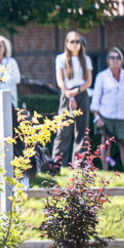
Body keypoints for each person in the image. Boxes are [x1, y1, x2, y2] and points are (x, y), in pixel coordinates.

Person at [90, 47, 124, 173]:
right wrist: (97, 117)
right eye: (112, 58)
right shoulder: (101, 76)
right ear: (108, 60)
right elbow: (96, 99)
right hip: (106, 115)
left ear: (121, 60)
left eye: (118, 58)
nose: (115, 60)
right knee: (105, 144)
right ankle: (104, 171)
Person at [51, 31, 94, 166]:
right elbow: (59, 80)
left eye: (77, 42)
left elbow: (88, 81)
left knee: (82, 130)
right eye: (72, 42)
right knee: (64, 129)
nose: (75, 45)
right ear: (67, 44)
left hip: (81, 93)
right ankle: (57, 163)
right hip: (66, 94)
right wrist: (69, 94)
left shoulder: (86, 59)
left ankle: (80, 163)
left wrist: (76, 91)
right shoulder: (60, 58)